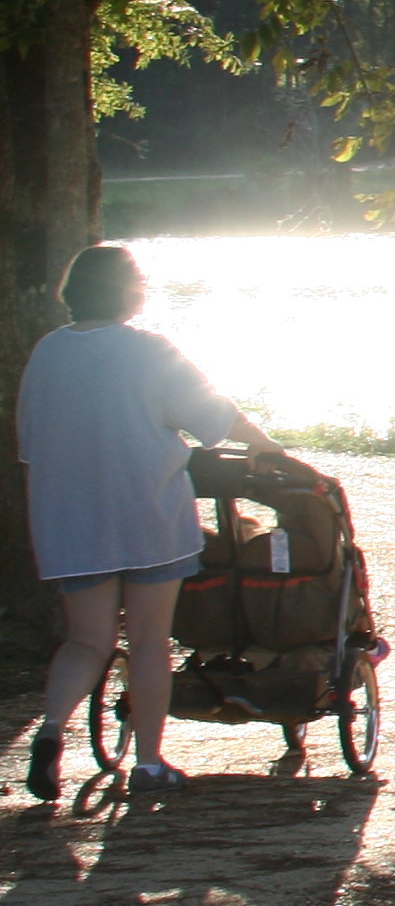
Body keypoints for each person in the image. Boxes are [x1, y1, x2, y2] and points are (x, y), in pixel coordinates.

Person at [18, 243, 277, 802]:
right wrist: (266, 446)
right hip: (145, 515)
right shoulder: (148, 350)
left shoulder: (47, 353)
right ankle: (149, 763)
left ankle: (51, 729)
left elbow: (30, 446)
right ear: (125, 290)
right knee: (149, 641)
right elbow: (215, 413)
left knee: (86, 640)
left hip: (69, 521)